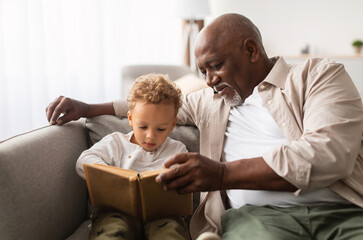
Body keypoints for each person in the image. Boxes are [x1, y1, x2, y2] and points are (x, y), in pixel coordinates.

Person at [46, 13, 363, 240]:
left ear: (250, 50)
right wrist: (87, 108)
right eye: (203, 71)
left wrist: (223, 173)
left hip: (343, 211)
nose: (209, 81)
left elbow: (328, 155)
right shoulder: (212, 101)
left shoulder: (317, 76)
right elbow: (152, 106)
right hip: (259, 220)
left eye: (216, 66)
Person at [74, 73, 190, 240]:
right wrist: (111, 174)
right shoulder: (116, 142)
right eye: (142, 126)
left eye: (161, 129)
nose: (150, 136)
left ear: (172, 124)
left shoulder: (177, 149)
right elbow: (83, 161)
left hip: (162, 215)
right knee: (112, 232)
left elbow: (185, 178)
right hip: (116, 212)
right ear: (130, 119)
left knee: (170, 232)